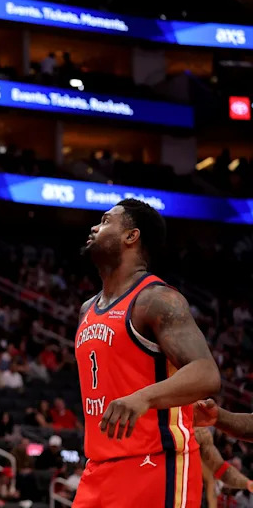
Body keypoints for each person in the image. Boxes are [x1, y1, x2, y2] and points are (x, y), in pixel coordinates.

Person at [73, 200, 221, 508]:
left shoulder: (156, 299)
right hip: (97, 469)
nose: (94, 227)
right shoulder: (87, 309)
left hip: (155, 463)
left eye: (105, 221)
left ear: (131, 236)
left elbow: (206, 373)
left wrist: (143, 397)